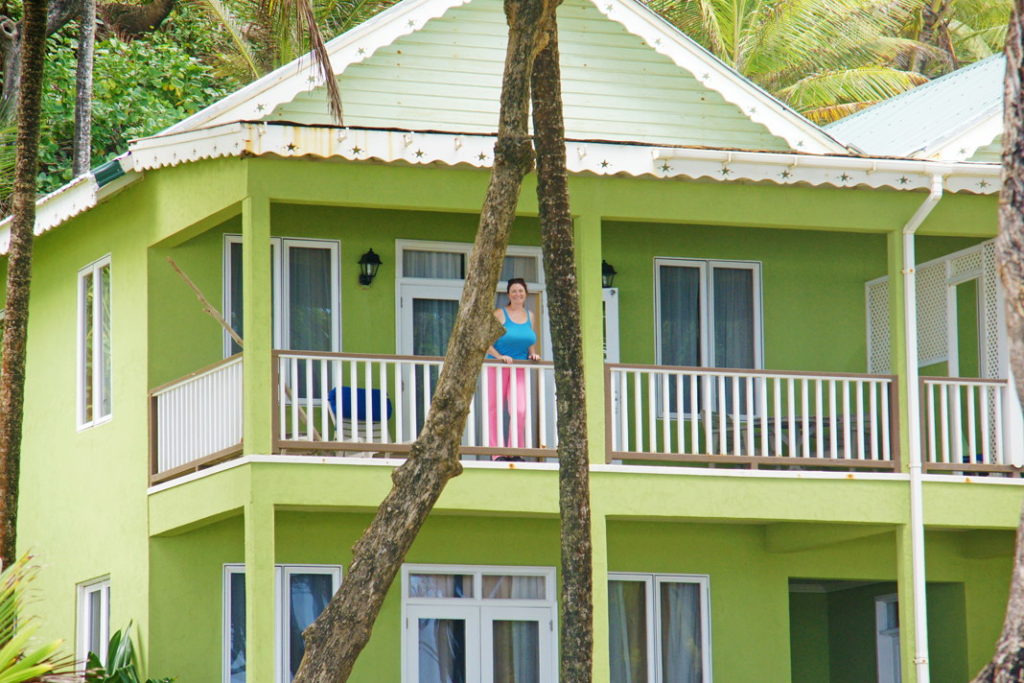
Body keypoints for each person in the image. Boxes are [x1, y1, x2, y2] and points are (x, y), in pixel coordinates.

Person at [485, 278, 540, 454]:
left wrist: (533, 353)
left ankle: (515, 450)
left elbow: (529, 340)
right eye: (514, 291)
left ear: (526, 294)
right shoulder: (500, 314)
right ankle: (497, 453)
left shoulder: (530, 315)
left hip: (519, 367)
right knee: (494, 408)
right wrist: (499, 356)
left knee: (520, 409)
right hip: (498, 366)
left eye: (521, 291)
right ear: (508, 294)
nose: (518, 294)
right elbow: (485, 341)